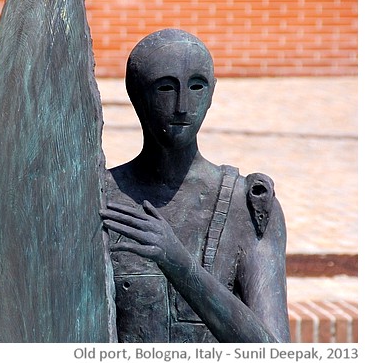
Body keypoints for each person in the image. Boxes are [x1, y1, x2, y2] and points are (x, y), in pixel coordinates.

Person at [101, 28, 291, 343]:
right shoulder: (101, 195)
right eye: (165, 88)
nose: (183, 106)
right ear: (136, 94)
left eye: (197, 86)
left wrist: (180, 264)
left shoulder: (247, 206)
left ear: (212, 92)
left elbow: (273, 351)